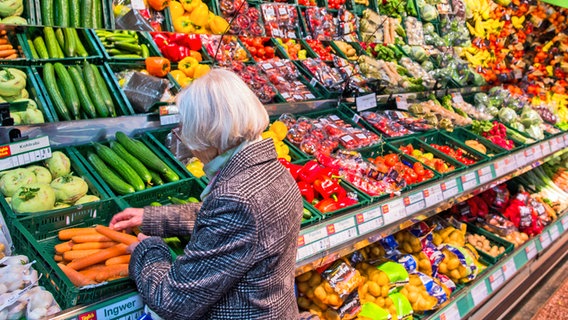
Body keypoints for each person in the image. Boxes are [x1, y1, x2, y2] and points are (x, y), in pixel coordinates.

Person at [109, 69, 304, 319]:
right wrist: (153, 218)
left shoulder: (236, 198)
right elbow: (225, 220)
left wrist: (148, 250)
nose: (186, 140)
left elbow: (173, 300)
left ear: (206, 133)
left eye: (185, 129)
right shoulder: (272, 170)